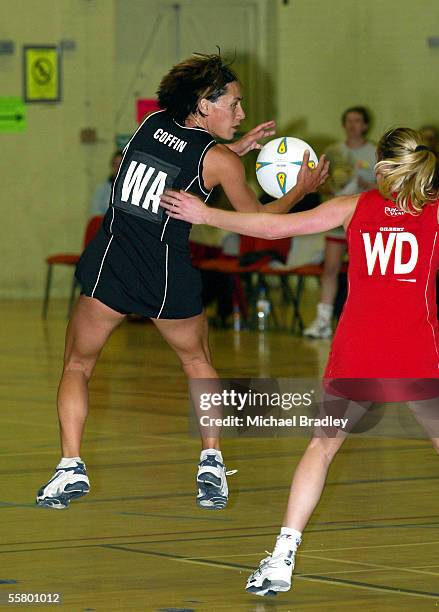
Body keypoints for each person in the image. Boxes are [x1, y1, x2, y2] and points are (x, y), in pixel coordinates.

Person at [35, 52, 329, 511]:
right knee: (197, 362)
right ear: (203, 104)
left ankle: (69, 465)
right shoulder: (217, 161)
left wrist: (230, 151)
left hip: (111, 260)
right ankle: (211, 460)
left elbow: (177, 157)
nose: (241, 113)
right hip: (166, 273)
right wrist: (299, 191)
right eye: (233, 103)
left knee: (77, 366)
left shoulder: (150, 125)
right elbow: (257, 223)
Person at [160, 126, 439, 595]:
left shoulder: (355, 207)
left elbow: (273, 226)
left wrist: (206, 213)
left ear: (380, 165)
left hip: (359, 351)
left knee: (321, 449)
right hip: (416, 352)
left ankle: (281, 559)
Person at [304, 106, 376, 338]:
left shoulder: (376, 152)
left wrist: (371, 188)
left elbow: (389, 187)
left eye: (357, 121)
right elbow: (319, 184)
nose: (352, 125)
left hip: (367, 221)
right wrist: (330, 186)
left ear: (365, 125)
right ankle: (323, 321)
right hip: (337, 219)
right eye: (348, 121)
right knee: (331, 269)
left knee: (368, 271)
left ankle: (368, 320)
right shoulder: (333, 152)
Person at [88, 150, 123, 217]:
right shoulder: (102, 189)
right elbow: (95, 213)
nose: (118, 168)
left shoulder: (134, 190)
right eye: (116, 165)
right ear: (111, 166)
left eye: (121, 165)